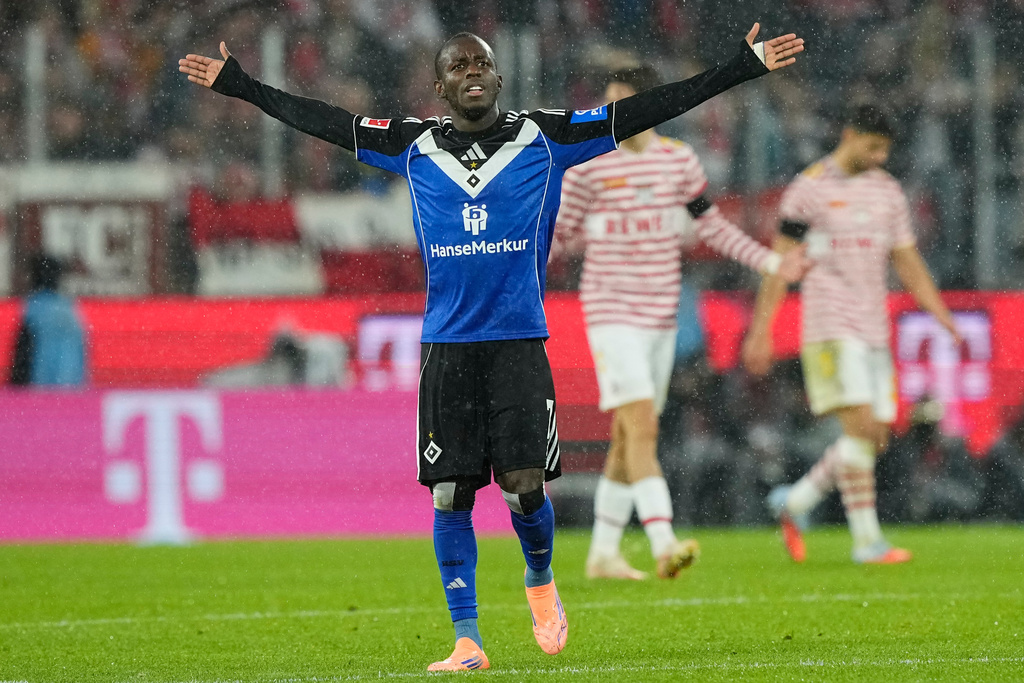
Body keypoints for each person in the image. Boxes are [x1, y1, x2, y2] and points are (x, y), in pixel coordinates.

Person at [179, 25, 804, 671]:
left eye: (481, 62)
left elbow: (647, 108)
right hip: (447, 348)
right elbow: (325, 121)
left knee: (524, 488)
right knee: (450, 493)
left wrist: (740, 67)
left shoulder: (546, 136)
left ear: (499, 78)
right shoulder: (412, 145)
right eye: (458, 65)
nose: (471, 71)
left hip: (518, 345)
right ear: (439, 85)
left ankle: (540, 578)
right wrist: (243, 86)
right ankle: (466, 638)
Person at [554, 65, 811, 581]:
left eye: (624, 103)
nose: (614, 114)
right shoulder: (589, 164)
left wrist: (769, 261)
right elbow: (556, 234)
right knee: (642, 426)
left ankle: (602, 553)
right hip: (611, 314)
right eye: (608, 104)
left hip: (661, 317)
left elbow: (712, 227)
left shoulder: (678, 160)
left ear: (650, 103)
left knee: (629, 436)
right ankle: (664, 540)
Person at [742, 103, 960, 565]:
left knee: (874, 436)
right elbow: (780, 263)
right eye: (874, 147)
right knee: (861, 428)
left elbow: (907, 259)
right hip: (830, 325)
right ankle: (867, 542)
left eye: (886, 149)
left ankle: (794, 500)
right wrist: (761, 330)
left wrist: (941, 314)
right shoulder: (808, 189)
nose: (881, 157)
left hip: (874, 329)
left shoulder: (888, 192)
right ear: (849, 135)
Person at [9, 255, 87, 387]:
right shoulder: (70, 308)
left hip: (40, 387)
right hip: (73, 388)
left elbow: (23, 356)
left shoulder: (33, 309)